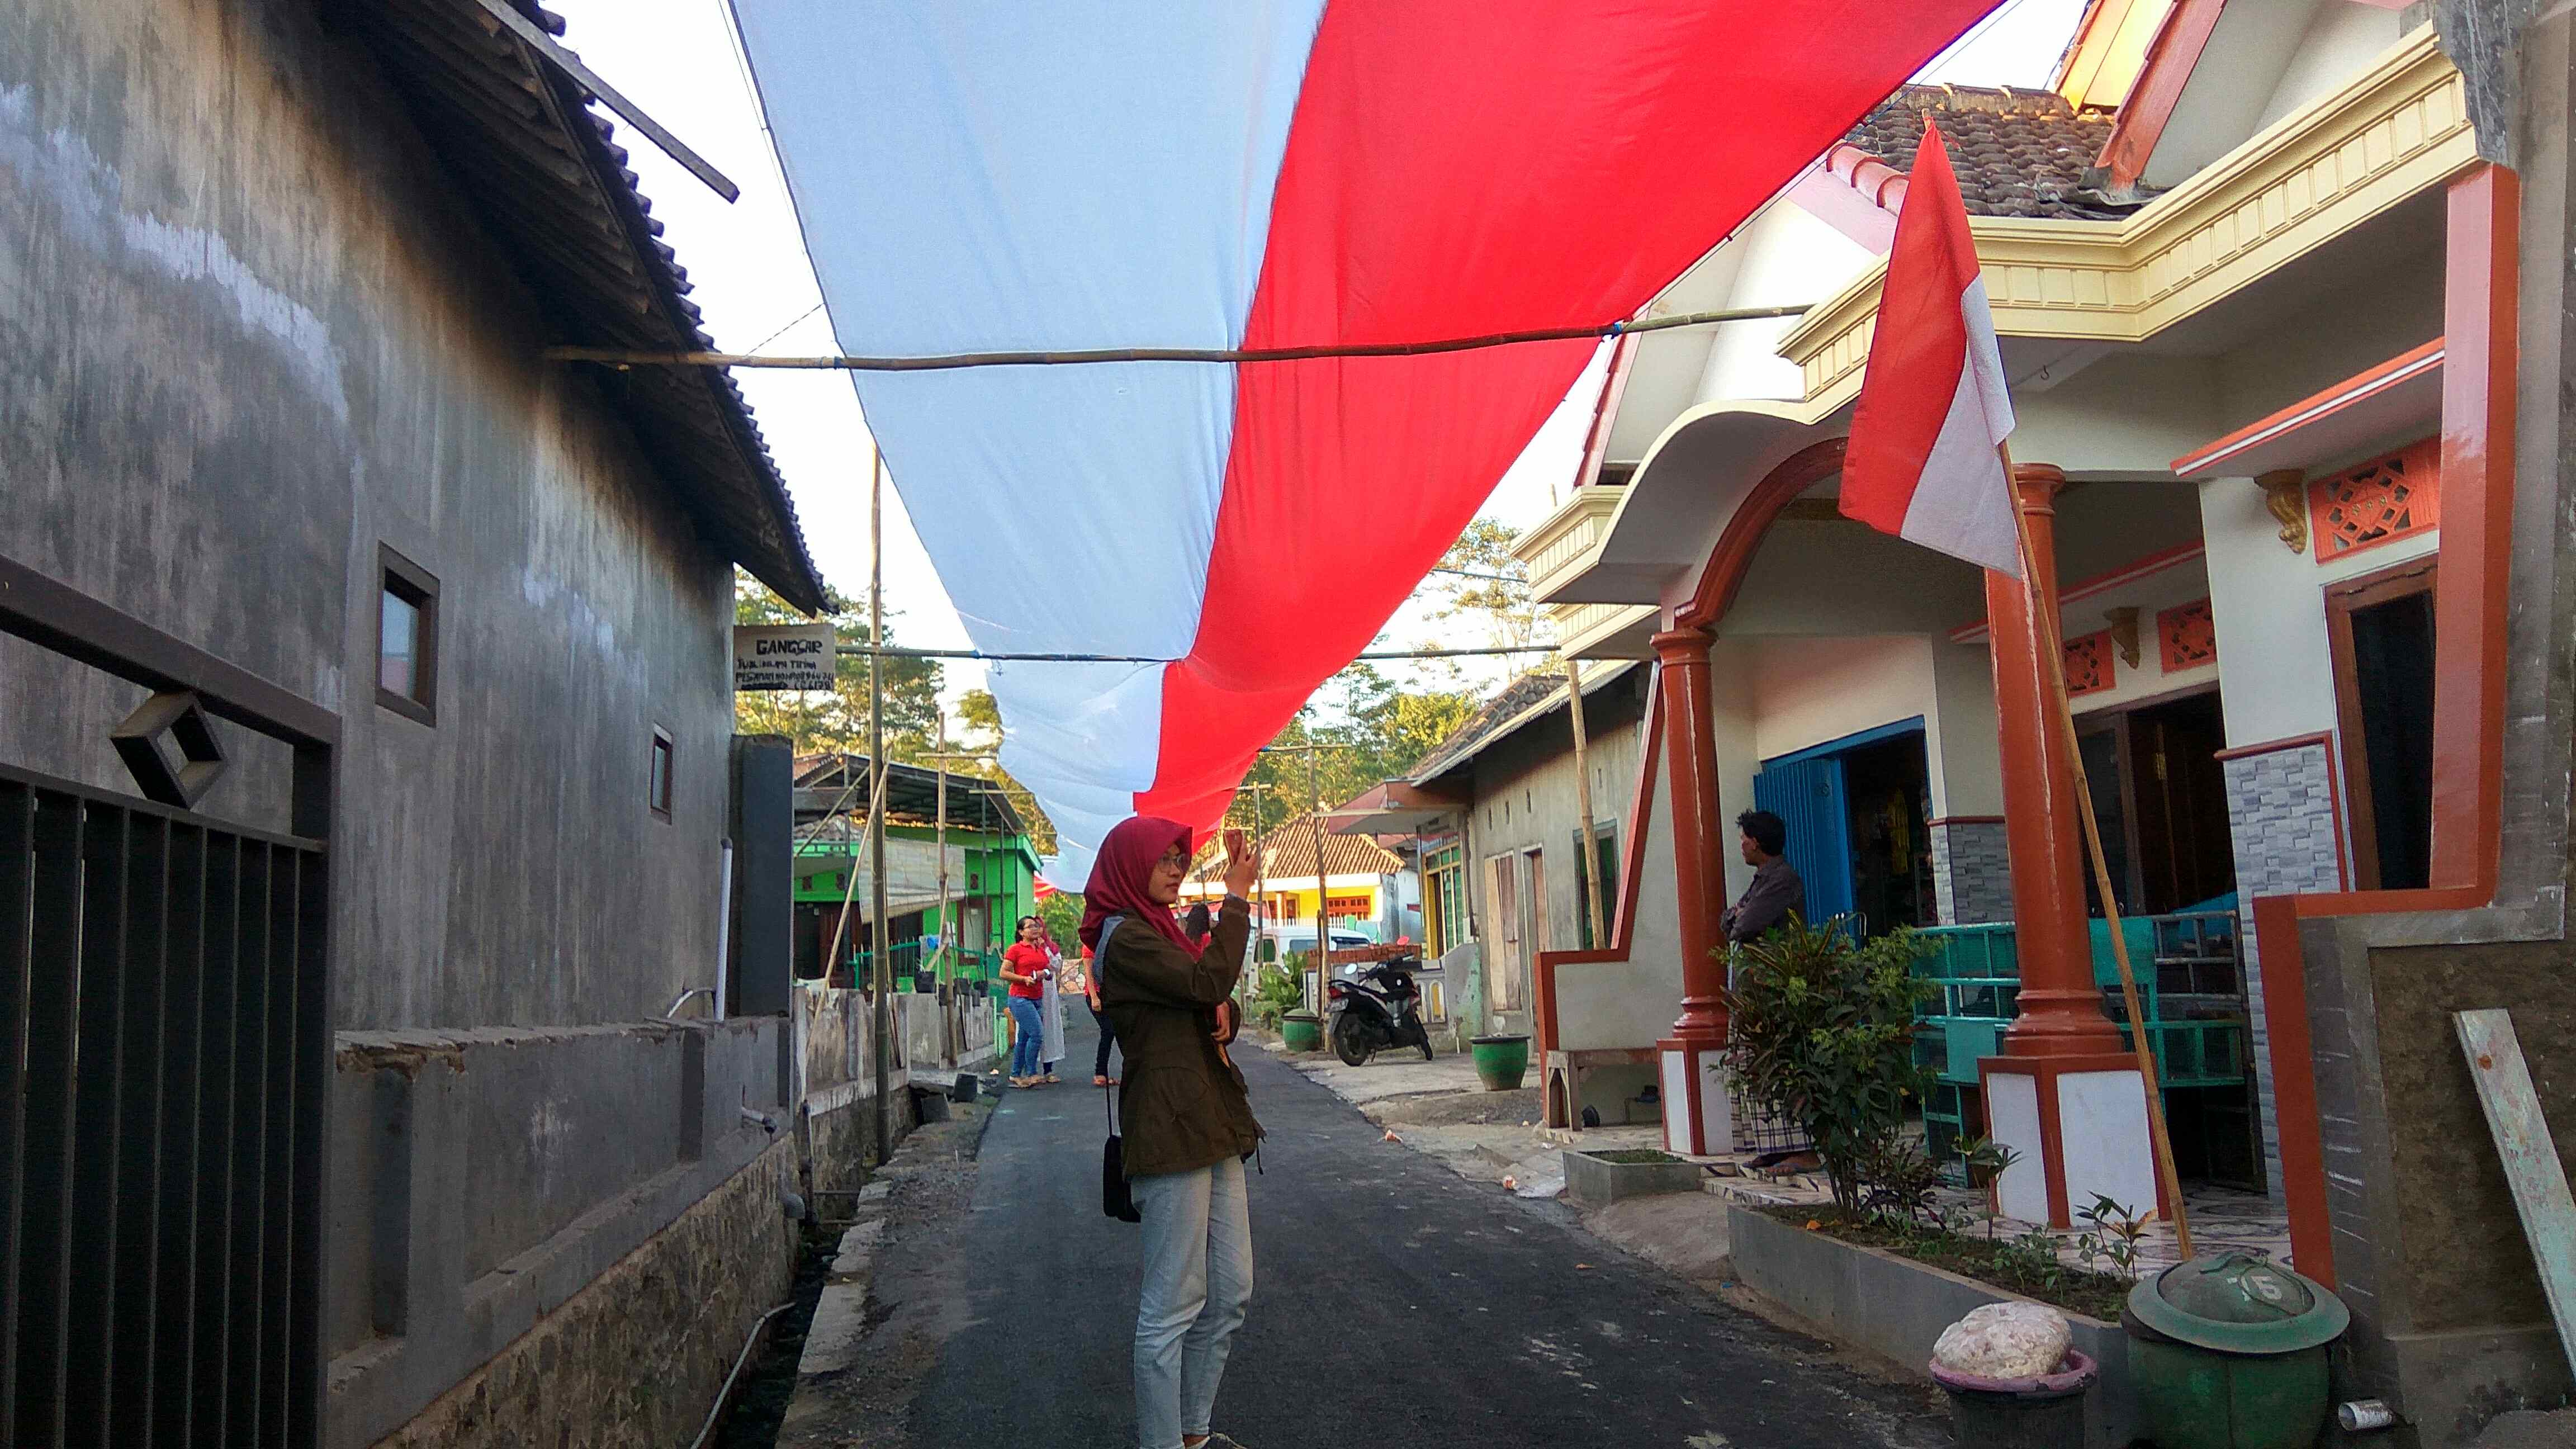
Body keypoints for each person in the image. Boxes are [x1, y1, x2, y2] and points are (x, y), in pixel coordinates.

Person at [1088, 817, 1262, 1449]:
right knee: (1173, 1304)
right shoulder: (1127, 939)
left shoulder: (1163, 931)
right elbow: (1206, 982)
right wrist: (1236, 898)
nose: (1174, 868)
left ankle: (1193, 1434)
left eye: (1179, 858)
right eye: (1161, 859)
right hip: (1168, 1123)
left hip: (1211, 1120)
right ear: (1128, 866)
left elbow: (1213, 995)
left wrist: (1225, 1010)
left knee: (1232, 1290)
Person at [1722, 808, 1805, 945]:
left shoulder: (1782, 879)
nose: (1742, 847)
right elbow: (1725, 921)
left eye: (1744, 840)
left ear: (1755, 843)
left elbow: (1745, 926)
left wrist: (1740, 915)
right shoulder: (1763, 878)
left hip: (1773, 965)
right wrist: (1737, 914)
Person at [1000, 915, 1054, 1088]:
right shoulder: (1016, 949)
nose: (1035, 929)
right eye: (1030, 927)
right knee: (1037, 1034)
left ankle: (1016, 1074)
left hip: (1036, 997)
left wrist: (1044, 973)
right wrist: (1023, 979)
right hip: (1020, 998)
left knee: (1024, 1039)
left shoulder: (1040, 949)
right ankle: (1031, 1072)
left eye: (1036, 926)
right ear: (1021, 932)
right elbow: (1004, 973)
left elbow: (1048, 969)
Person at [1084, 944, 1121, 1087]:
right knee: (1108, 1030)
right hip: (1096, 994)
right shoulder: (1090, 945)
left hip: (1112, 993)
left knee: (1116, 1031)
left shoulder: (1110, 941)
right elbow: (1088, 972)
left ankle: (1102, 1073)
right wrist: (1094, 997)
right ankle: (1100, 1073)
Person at [1039, 932, 1068, 1085]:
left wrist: (1045, 948)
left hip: (1048, 993)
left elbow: (1055, 965)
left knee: (1049, 1030)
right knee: (1031, 1033)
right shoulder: (1021, 949)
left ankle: (1048, 1070)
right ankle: (1028, 1071)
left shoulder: (1050, 948)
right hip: (1028, 993)